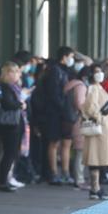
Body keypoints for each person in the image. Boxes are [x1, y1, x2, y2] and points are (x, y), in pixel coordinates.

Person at [81, 65, 108, 199]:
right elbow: (89, 107)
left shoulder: (98, 87)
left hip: (103, 129)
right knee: (95, 158)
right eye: (96, 72)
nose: (100, 74)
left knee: (98, 158)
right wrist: (99, 117)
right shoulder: (93, 88)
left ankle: (96, 188)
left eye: (100, 71)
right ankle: (95, 188)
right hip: (99, 128)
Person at [44, 47, 75, 185]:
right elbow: (53, 93)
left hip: (66, 112)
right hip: (56, 113)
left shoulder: (66, 71)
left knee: (66, 143)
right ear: (64, 56)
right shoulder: (55, 71)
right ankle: (54, 173)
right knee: (54, 143)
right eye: (71, 56)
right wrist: (63, 107)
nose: (72, 59)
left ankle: (66, 172)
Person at [0, 62, 26, 192]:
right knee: (9, 153)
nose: (17, 74)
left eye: (18, 72)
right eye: (14, 72)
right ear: (7, 73)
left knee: (11, 153)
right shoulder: (5, 87)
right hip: (8, 125)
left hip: (15, 123)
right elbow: (8, 104)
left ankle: (7, 178)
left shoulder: (14, 87)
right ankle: (2, 181)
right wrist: (20, 104)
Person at [64, 67, 88, 189]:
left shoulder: (70, 85)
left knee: (72, 148)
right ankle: (79, 179)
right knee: (81, 150)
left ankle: (72, 176)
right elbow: (80, 104)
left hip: (69, 119)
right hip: (78, 120)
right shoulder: (81, 86)